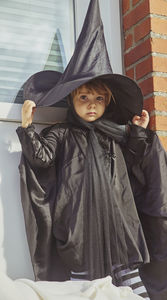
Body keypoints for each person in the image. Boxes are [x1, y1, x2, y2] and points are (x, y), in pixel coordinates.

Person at [17, 79, 151, 299]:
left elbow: (132, 161)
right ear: (71, 99)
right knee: (82, 284)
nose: (92, 105)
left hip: (117, 222)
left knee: (129, 276)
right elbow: (41, 158)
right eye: (84, 97)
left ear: (107, 102)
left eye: (99, 99)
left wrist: (138, 132)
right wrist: (27, 126)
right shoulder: (62, 133)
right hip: (79, 222)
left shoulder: (112, 135)